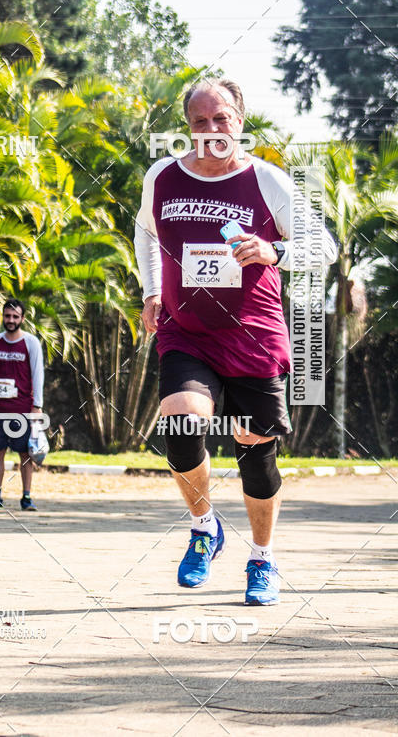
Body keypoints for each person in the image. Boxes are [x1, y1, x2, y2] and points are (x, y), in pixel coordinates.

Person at [134, 78, 337, 605]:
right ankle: (205, 527)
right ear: (188, 127)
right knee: (180, 423)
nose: (210, 130)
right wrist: (153, 290)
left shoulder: (266, 181)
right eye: (199, 122)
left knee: (255, 452)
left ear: (239, 121)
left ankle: (262, 559)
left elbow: (327, 247)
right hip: (187, 331)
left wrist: (274, 253)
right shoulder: (164, 176)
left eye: (220, 119)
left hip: (253, 335)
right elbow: (147, 233)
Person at [0, 299, 44, 511]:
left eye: (15, 317)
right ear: (3, 317)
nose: (11, 320)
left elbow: (37, 374)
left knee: (25, 454)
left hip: (23, 408)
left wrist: (37, 405)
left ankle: (26, 497)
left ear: (22, 319)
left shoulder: (31, 342)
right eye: (7, 316)